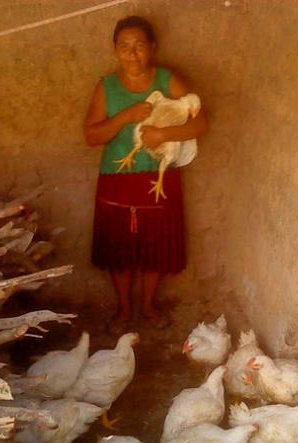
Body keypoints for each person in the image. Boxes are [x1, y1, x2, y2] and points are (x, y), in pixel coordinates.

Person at [84, 16, 209, 335]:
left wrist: (164, 134)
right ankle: (125, 309)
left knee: (157, 246)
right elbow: (92, 136)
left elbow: (200, 124)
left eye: (139, 45)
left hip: (158, 177)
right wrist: (126, 116)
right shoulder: (107, 86)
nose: (132, 53)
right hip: (117, 178)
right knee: (119, 249)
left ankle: (149, 306)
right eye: (124, 46)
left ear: (152, 47)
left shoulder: (168, 80)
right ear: (115, 49)